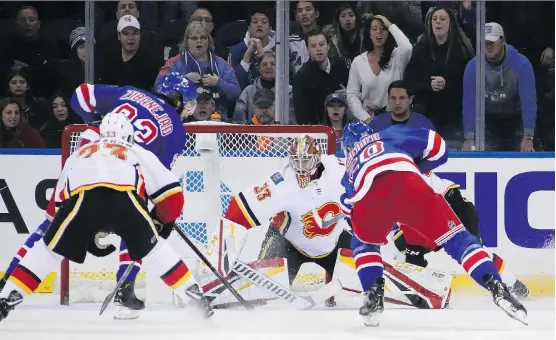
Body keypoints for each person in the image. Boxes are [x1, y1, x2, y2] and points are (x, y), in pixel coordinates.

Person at [0, 72, 196, 320]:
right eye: (188, 103)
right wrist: (161, 222)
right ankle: (126, 287)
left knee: (52, 224)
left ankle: (8, 282)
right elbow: (162, 182)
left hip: (91, 147)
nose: (188, 111)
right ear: (178, 100)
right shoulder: (177, 129)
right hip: (129, 163)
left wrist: (99, 124)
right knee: (138, 218)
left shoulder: (129, 91)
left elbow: (80, 95)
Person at [339, 121, 527, 327]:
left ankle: (372, 293)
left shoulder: (349, 168)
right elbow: (439, 148)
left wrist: (369, 225)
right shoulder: (390, 133)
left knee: (364, 243)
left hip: (372, 201)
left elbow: (348, 209)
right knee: (461, 242)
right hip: (413, 189)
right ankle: (496, 285)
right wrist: (413, 167)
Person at [221, 136, 351, 307]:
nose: (300, 167)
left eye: (306, 160)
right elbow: (239, 210)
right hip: (290, 246)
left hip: (335, 244)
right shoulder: (280, 183)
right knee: (263, 292)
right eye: (296, 161)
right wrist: (223, 254)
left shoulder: (338, 171)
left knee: (365, 270)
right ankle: (223, 287)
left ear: (317, 159)